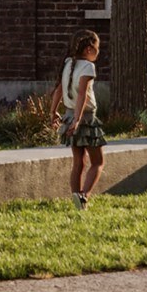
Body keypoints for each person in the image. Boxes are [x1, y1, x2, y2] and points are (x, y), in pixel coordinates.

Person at [56, 29, 107, 210]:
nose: (98, 53)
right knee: (98, 162)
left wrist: (53, 112)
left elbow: (59, 89)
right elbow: (82, 95)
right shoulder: (88, 67)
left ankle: (77, 199)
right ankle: (84, 196)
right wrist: (78, 120)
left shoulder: (68, 63)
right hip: (85, 119)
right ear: (89, 49)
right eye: (97, 48)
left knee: (78, 162)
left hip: (69, 116)